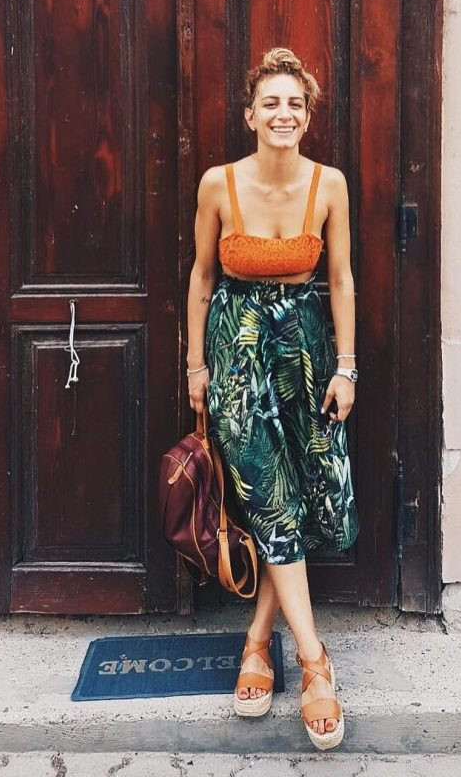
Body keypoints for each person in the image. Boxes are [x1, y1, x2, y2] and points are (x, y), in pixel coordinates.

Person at [185, 46, 360, 752]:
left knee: (303, 498)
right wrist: (195, 366)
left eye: (295, 104)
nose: (283, 114)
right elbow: (201, 277)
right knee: (268, 496)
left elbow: (341, 279)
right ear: (250, 114)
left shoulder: (329, 184)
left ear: (307, 117)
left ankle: (258, 640)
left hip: (306, 357)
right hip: (237, 356)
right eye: (271, 103)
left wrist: (347, 368)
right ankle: (315, 664)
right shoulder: (219, 184)